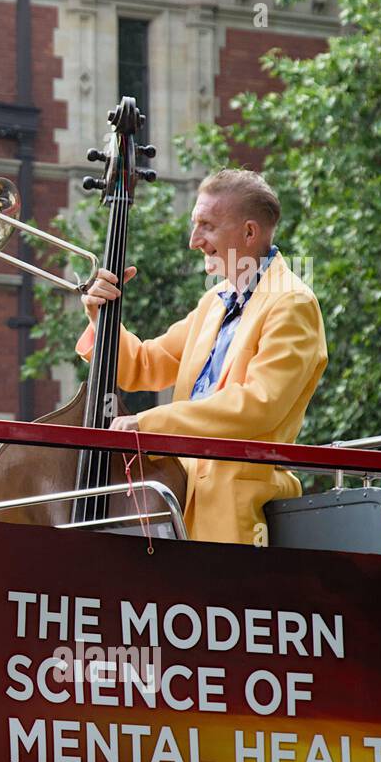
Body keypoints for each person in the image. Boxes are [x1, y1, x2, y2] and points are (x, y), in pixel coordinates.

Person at [78, 168, 327, 545]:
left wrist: (150, 424)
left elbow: (259, 404)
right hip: (177, 496)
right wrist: (103, 319)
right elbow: (143, 365)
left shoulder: (291, 302)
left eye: (207, 226)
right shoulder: (214, 301)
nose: (195, 241)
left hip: (237, 509)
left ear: (248, 233)